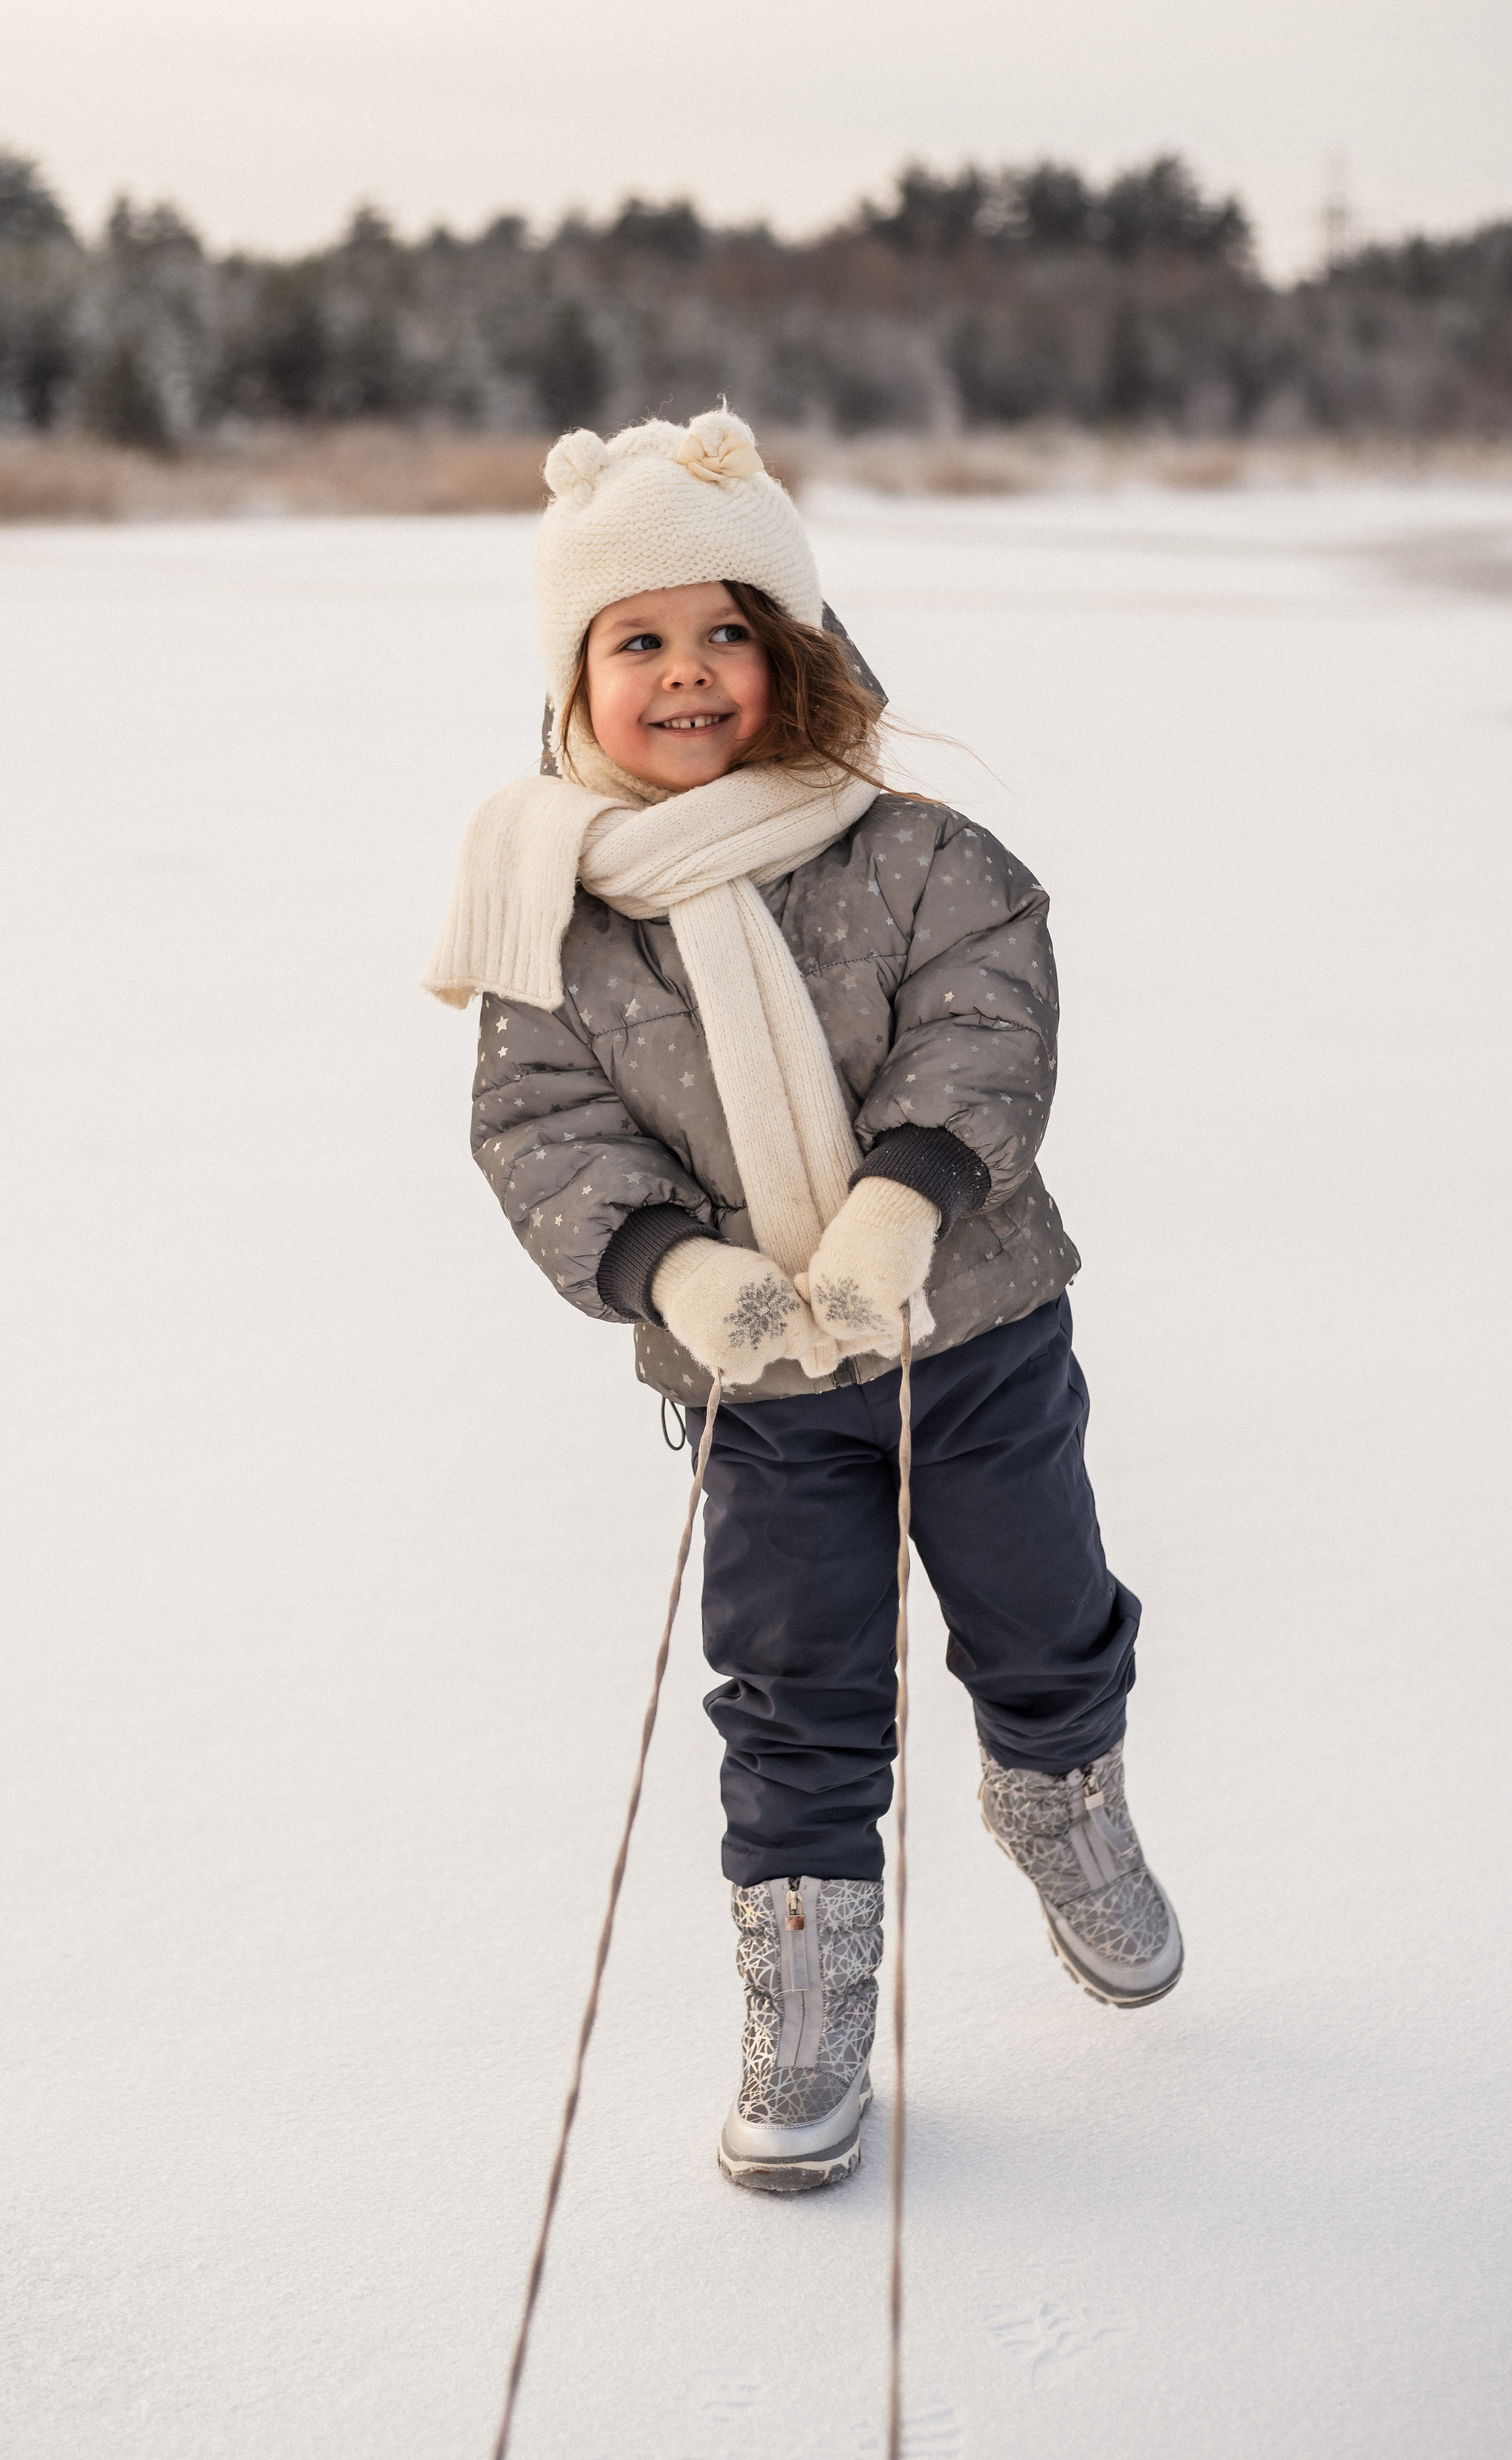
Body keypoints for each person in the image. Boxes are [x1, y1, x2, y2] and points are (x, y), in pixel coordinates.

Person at [425, 408, 1181, 2195]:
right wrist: (668, 1270)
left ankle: (1057, 1803)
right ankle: (806, 1987)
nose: (685, 674)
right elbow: (535, 1121)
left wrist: (905, 1205)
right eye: (638, 642)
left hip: (974, 1335)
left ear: (792, 652)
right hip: (759, 1385)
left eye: (724, 633)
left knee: (1042, 1620)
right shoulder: (553, 902)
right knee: (790, 1687)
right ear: (573, 677)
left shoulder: (910, 849)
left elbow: (988, 1019)